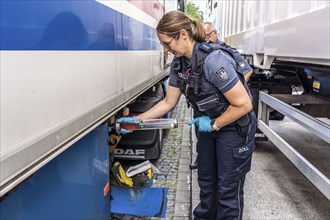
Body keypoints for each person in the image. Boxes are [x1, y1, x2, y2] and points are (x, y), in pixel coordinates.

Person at [118, 11, 256, 220]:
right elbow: (168, 102)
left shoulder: (213, 61)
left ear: (183, 34)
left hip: (234, 129)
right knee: (207, 184)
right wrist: (138, 120)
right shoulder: (180, 64)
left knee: (228, 191)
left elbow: (244, 104)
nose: (166, 50)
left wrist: (214, 124)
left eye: (167, 43)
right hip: (209, 129)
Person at [189, 22, 254, 170]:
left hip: (226, 108)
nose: (201, 39)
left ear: (214, 34)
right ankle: (202, 158)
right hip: (206, 107)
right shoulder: (199, 53)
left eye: (205, 36)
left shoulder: (224, 51)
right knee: (202, 134)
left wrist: (230, 90)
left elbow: (246, 71)